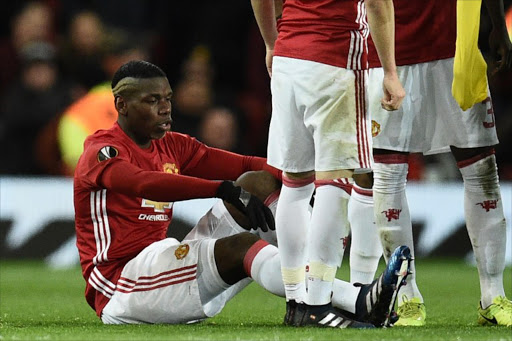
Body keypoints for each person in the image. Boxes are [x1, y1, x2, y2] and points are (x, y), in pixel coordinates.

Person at [74, 60, 412, 327]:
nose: (165, 109)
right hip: (123, 286)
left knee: (258, 183)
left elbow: (248, 164)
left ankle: (312, 295)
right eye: (152, 101)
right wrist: (221, 189)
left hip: (165, 270)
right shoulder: (102, 152)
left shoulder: (172, 144)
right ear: (121, 104)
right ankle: (354, 301)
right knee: (242, 245)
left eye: (167, 99)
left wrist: (317, 174)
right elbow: (143, 183)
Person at [349, 0, 512, 327]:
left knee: (482, 170)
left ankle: (493, 295)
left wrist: (496, 24)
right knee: (389, 174)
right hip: (390, 53)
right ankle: (406, 296)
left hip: (457, 51)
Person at [250, 0, 405, 326]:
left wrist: (269, 41)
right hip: (335, 60)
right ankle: (318, 303)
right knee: (337, 181)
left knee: (294, 183)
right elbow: (378, 4)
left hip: (288, 59)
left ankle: (296, 301)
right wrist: (390, 72)